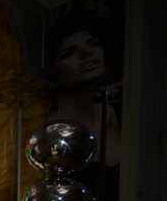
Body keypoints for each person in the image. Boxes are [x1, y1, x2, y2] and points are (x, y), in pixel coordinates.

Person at [49, 10, 121, 167]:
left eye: (93, 44)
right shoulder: (48, 123)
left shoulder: (108, 113)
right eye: (69, 53)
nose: (87, 53)